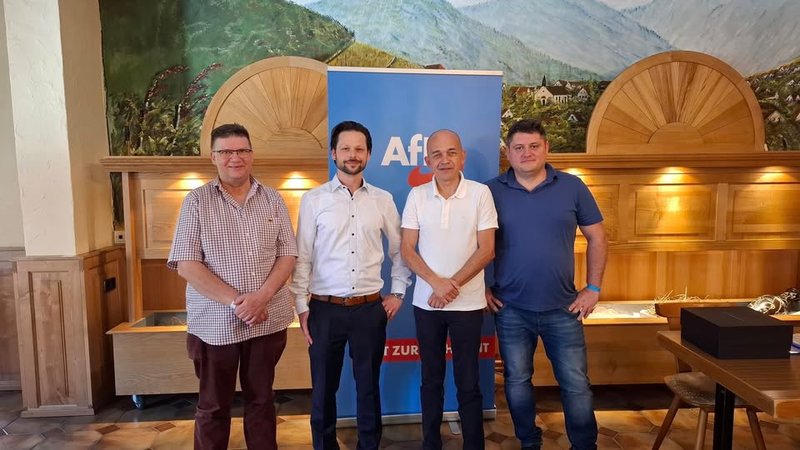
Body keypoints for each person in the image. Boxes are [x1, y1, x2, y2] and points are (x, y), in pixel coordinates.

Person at [168, 123, 298, 450]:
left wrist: (261, 298)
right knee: (213, 406)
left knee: (262, 401)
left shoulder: (273, 198)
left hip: (267, 320)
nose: (235, 157)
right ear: (213, 157)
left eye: (241, 150)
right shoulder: (196, 201)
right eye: (226, 151)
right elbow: (186, 264)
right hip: (215, 324)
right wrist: (239, 302)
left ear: (251, 155)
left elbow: (288, 253)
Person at [486, 119, 607, 450]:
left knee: (576, 385)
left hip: (563, 308)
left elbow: (598, 237)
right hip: (510, 308)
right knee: (517, 381)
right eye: (519, 147)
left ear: (546, 148)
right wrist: (482, 286)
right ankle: (529, 442)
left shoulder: (572, 186)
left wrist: (593, 288)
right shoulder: (490, 191)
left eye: (533, 146)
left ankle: (584, 445)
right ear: (508, 153)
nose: (526, 153)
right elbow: (475, 243)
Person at [290, 120, 411, 450]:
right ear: (333, 153)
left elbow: (400, 250)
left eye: (359, 149)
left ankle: (368, 446)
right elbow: (303, 256)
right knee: (323, 390)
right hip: (323, 309)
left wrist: (398, 292)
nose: (352, 154)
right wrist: (301, 306)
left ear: (369, 154)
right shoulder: (314, 200)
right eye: (345, 148)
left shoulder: (383, 200)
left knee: (368, 388)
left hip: (369, 310)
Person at [400, 129, 497, 450]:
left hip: (468, 306)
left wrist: (450, 285)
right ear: (427, 161)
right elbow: (407, 249)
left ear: (462, 157)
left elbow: (487, 250)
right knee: (431, 380)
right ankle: (431, 443)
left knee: (468, 382)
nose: (445, 160)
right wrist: (436, 283)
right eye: (437, 154)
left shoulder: (481, 194)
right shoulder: (417, 196)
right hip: (427, 305)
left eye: (451, 152)